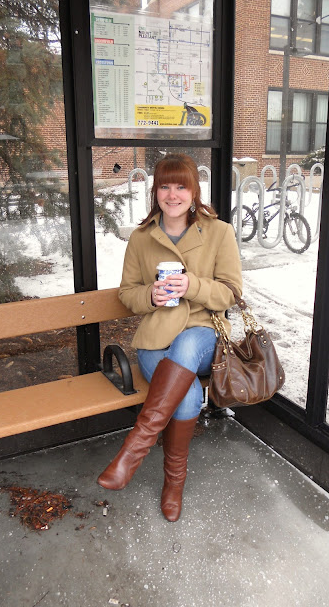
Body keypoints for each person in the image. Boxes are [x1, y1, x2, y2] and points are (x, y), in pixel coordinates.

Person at [97, 153, 243, 522]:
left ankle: (132, 451)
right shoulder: (142, 238)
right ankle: (173, 484)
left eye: (181, 186)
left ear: (194, 192)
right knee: (189, 397)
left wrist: (192, 286)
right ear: (155, 192)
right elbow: (127, 293)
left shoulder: (219, 232)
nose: (173, 194)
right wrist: (150, 295)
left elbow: (231, 293)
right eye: (165, 187)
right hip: (156, 340)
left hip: (205, 334)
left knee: (189, 342)